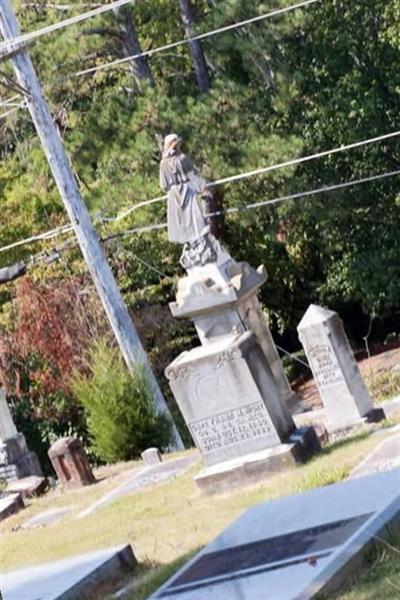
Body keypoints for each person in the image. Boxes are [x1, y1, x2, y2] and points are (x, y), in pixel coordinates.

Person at [160, 133, 209, 245]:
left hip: (173, 195)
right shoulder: (182, 158)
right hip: (187, 191)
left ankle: (188, 244)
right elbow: (194, 175)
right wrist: (203, 187)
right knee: (194, 219)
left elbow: (163, 185)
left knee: (180, 221)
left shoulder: (163, 164)